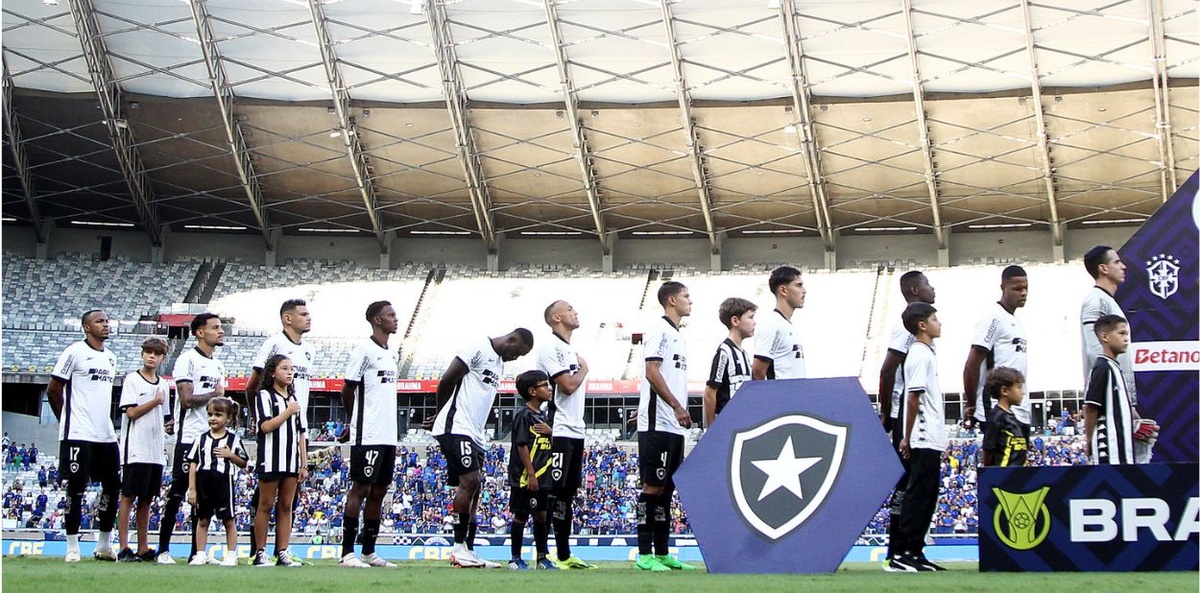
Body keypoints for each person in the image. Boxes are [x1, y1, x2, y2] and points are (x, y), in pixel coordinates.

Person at [430, 328, 534, 568]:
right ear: (511, 340)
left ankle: (468, 548)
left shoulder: (498, 362)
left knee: (475, 489)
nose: (515, 358)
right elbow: (448, 379)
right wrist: (438, 413)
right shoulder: (478, 347)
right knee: (470, 481)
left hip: (475, 433)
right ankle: (457, 547)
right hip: (456, 426)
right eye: (517, 353)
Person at [46, 310, 120, 563]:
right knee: (76, 488)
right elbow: (53, 389)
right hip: (78, 433)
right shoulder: (74, 352)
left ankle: (103, 545)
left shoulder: (111, 358)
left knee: (112, 487)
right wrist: (67, 420)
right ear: (86, 327)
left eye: (107, 321)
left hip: (105, 433)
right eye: (100, 321)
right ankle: (72, 547)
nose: (106, 325)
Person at [245, 299, 316, 553]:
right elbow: (252, 386)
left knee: (290, 498)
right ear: (288, 318)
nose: (309, 318)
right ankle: (258, 549)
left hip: (298, 429)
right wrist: (259, 418)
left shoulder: (310, 350)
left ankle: (281, 551)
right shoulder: (274, 343)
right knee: (264, 497)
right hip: (273, 428)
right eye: (303, 314)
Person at [876, 271, 935, 569]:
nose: (932, 288)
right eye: (927, 284)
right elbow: (887, 371)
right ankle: (900, 550)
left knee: (909, 486)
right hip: (903, 416)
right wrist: (887, 413)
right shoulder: (906, 330)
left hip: (906, 416)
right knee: (910, 486)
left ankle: (903, 549)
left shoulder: (919, 330)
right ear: (914, 289)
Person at [635, 281, 695, 572]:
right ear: (671, 300)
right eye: (686, 296)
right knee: (652, 486)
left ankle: (662, 552)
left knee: (667, 489)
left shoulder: (677, 335)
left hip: (673, 427)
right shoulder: (659, 331)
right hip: (658, 422)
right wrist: (676, 405)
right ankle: (644, 554)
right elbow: (651, 372)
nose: (690, 301)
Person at [338, 301, 402, 569]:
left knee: (380, 490)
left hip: (388, 433)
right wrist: (353, 423)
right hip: (369, 431)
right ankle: (347, 553)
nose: (395, 319)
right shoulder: (364, 351)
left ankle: (369, 551)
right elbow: (347, 389)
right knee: (360, 488)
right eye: (390, 315)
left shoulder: (392, 352)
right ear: (377, 320)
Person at [158, 312, 226, 565]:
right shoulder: (187, 360)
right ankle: (163, 549)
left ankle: (197, 552)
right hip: (189, 438)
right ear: (200, 332)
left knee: (205, 498)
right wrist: (214, 395)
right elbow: (186, 401)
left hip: (210, 440)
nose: (221, 332)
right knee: (178, 492)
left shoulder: (218, 364)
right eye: (215, 327)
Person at [535, 300, 596, 569]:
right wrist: (584, 369)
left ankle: (564, 554)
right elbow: (568, 386)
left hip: (574, 430)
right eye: (570, 309)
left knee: (567, 494)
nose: (576, 311)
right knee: (553, 492)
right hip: (557, 429)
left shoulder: (569, 350)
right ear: (556, 318)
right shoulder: (551, 347)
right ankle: (544, 554)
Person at [891, 302, 946, 573]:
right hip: (921, 437)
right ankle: (903, 553)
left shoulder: (926, 353)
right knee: (918, 494)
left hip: (930, 437)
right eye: (935, 318)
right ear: (922, 325)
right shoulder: (919, 354)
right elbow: (913, 397)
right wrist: (907, 436)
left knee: (927, 496)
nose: (940, 323)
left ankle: (916, 551)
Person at [116, 337, 170, 562]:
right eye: (148, 352)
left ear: (162, 358)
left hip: (154, 450)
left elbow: (166, 418)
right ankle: (123, 546)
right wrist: (154, 402)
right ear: (142, 354)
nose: (151, 356)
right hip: (135, 448)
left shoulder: (163, 385)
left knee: (147, 498)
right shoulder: (133, 380)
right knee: (128, 496)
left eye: (156, 354)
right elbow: (131, 412)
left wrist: (171, 424)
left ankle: (143, 546)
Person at [252, 354, 307, 567]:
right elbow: (265, 426)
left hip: (291, 461)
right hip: (271, 458)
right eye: (284, 368)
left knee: (286, 506)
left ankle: (282, 551)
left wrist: (303, 463)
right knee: (265, 505)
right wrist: (288, 412)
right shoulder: (265, 395)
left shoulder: (294, 399)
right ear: (273, 372)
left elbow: (301, 433)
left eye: (291, 369)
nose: (289, 372)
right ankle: (261, 552)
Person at [963, 266, 1029, 436]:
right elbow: (972, 364)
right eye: (1017, 289)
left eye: (1026, 288)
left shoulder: (1014, 321)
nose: (1023, 293)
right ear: (1003, 288)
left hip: (1019, 411)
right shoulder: (993, 318)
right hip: (998, 409)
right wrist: (971, 404)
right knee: (1002, 461)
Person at [186, 398, 248, 567]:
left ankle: (230, 555)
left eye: (218, 415)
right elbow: (193, 464)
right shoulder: (201, 439)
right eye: (210, 414)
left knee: (228, 520)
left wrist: (231, 455)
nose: (213, 418)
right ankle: (200, 554)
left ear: (228, 418)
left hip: (223, 482)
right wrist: (192, 489)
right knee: (203, 519)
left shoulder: (233, 440)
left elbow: (244, 462)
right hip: (203, 482)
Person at [507, 370, 557, 571]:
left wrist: (551, 432)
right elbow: (521, 446)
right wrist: (531, 474)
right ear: (532, 391)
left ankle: (542, 558)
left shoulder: (542, 416)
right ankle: (515, 558)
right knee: (521, 515)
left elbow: (551, 444)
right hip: (526, 477)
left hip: (543, 475)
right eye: (544, 385)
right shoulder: (524, 416)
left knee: (541, 516)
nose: (549, 388)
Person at [1080, 246, 1137, 408]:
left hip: (1116, 396)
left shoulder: (1107, 300)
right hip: (1108, 397)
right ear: (1103, 268)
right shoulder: (1096, 301)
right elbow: (1095, 350)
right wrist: (1113, 393)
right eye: (1117, 262)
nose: (1123, 266)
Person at [1083, 315, 1136, 465]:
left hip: (1123, 450)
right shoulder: (1102, 367)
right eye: (1121, 333)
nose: (1126, 338)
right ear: (1105, 336)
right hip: (1109, 450)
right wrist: (1088, 440)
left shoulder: (1116, 368)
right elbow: (1091, 407)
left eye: (1127, 334)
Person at [703, 297, 755, 427]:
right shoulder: (724, 352)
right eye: (750, 317)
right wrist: (711, 429)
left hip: (742, 421)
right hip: (727, 422)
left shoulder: (743, 353)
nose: (754, 323)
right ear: (735, 321)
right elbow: (709, 393)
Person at [752, 266, 807, 380]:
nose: (804, 291)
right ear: (783, 290)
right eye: (798, 285)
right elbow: (758, 372)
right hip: (782, 396)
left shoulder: (785, 325)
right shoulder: (772, 325)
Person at [981, 367, 1029, 467]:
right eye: (1019, 387)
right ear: (1005, 391)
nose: (1022, 392)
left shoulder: (1016, 419)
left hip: (1020, 475)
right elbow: (988, 449)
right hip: (1002, 476)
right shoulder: (996, 417)